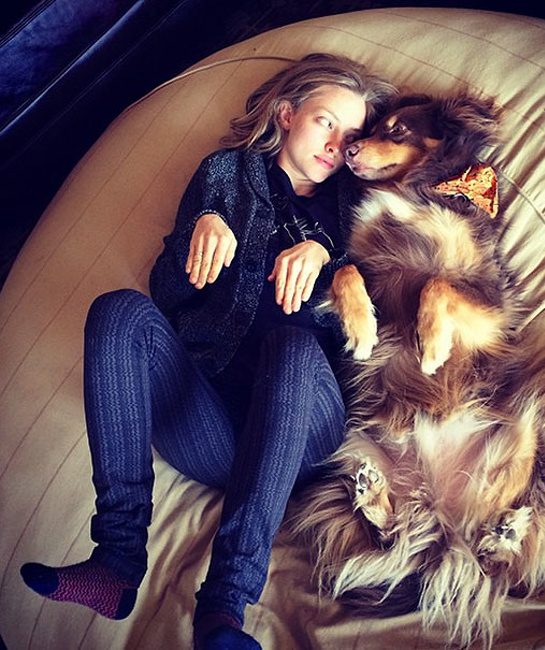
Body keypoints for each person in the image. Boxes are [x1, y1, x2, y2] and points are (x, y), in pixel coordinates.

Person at [20, 53, 397, 649]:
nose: (336, 144)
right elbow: (168, 297)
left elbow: (386, 296)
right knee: (118, 310)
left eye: (350, 135)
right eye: (326, 121)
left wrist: (330, 255)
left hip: (304, 430)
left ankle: (224, 605)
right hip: (212, 431)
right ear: (287, 114)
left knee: (294, 348)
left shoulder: (360, 202)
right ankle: (116, 557)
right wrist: (197, 236)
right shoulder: (225, 174)